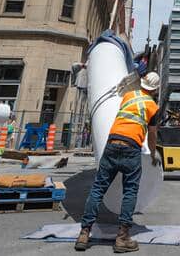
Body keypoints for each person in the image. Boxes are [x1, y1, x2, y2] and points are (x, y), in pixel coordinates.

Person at [75, 72, 162, 253]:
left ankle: (84, 233)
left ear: (142, 84)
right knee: (130, 192)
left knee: (98, 189)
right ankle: (122, 238)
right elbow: (152, 134)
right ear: (155, 89)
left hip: (113, 143)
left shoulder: (129, 96)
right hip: (131, 148)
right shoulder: (153, 107)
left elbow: (126, 113)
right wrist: (153, 154)